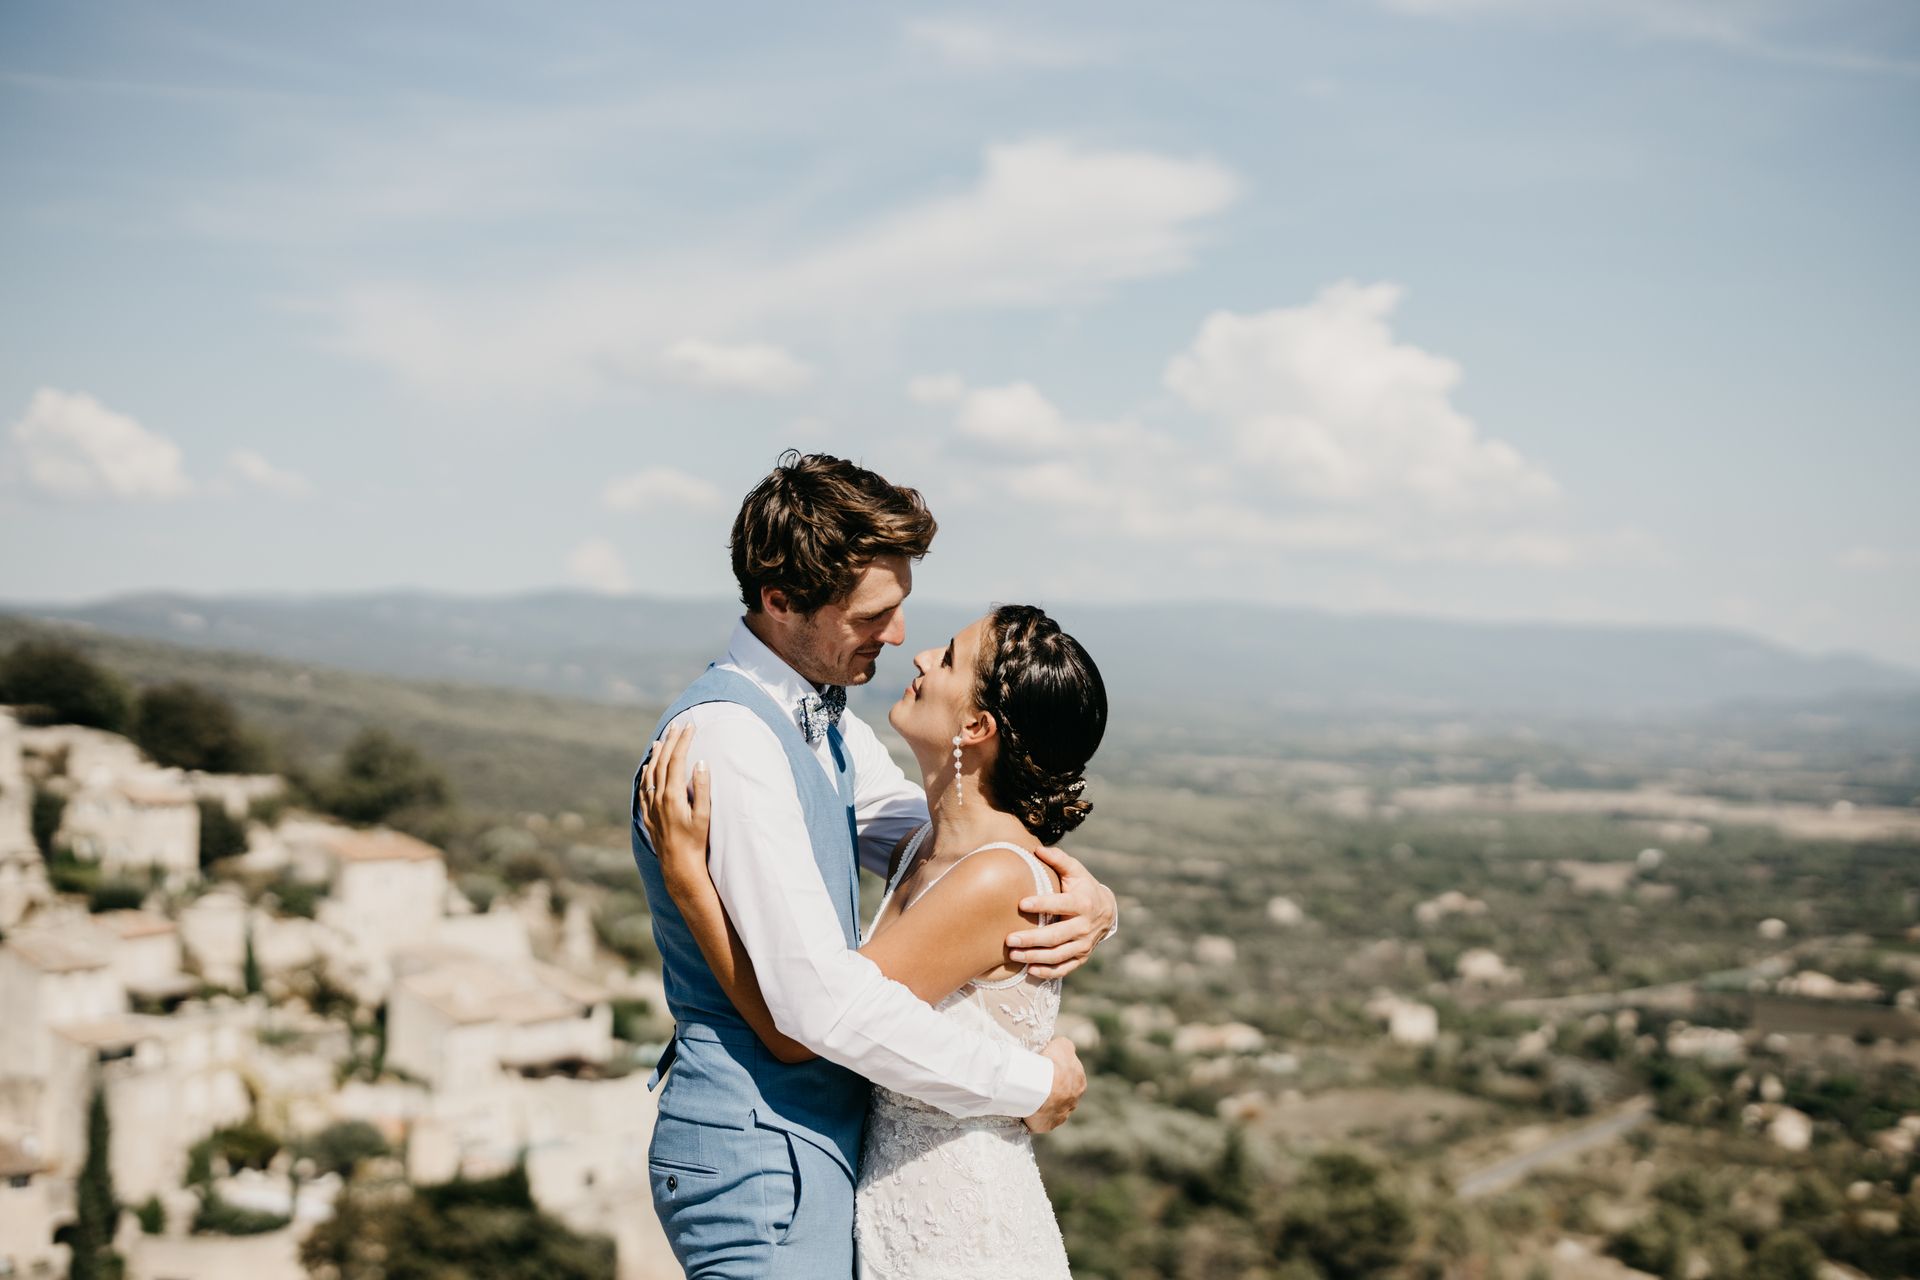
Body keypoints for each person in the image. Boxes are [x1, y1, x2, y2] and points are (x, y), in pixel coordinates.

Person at [628, 452, 1118, 1277]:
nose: (900, 642)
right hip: (762, 1151)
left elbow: (928, 836)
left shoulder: (822, 723)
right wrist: (1031, 1084)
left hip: (848, 1169)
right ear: (782, 603)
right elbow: (815, 1011)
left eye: (904, 612)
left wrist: (1084, 892)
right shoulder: (737, 741)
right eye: (873, 616)